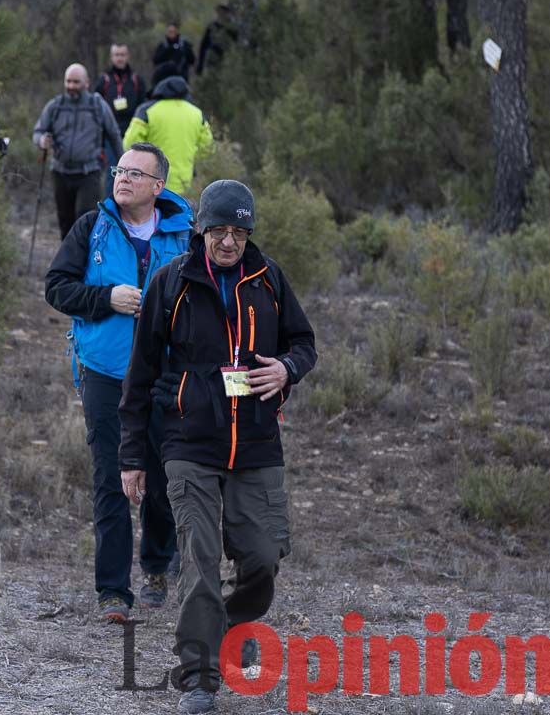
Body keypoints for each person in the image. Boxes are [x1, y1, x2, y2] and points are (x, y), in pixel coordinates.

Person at [117, 180, 317, 714]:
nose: (228, 242)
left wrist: (287, 368)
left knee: (263, 560)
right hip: (189, 442)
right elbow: (140, 375)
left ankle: (224, 627)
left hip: (256, 442)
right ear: (201, 229)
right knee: (199, 562)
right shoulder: (171, 282)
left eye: (238, 231)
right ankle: (200, 680)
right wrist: (132, 457)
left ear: (248, 233)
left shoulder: (268, 278)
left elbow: (303, 342)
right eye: (219, 231)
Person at [45, 142, 194, 624]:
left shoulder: (184, 236)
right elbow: (56, 287)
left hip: (165, 375)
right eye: (119, 170)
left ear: (158, 186)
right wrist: (106, 297)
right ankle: (113, 591)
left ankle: (155, 568)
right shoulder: (92, 228)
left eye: (135, 173)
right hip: (105, 372)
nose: (122, 179)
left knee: (161, 473)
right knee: (110, 477)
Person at [33, 63, 124, 238]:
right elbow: (38, 131)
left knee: (86, 220)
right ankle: (66, 263)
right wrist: (41, 140)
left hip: (89, 173)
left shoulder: (98, 105)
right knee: (65, 221)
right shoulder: (55, 106)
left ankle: (86, 262)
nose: (71, 86)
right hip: (60, 172)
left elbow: (114, 134)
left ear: (87, 83)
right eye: (68, 81)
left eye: (76, 82)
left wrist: (123, 165)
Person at [123, 75, 214, 197]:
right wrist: (190, 157)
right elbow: (208, 149)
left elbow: (129, 144)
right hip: (186, 185)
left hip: (153, 184)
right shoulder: (197, 113)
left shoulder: (147, 110)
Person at [94, 44, 147, 196]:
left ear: (128, 56)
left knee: (134, 174)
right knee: (113, 174)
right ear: (112, 57)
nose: (119, 58)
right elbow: (96, 109)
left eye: (122, 54)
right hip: (110, 138)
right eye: (116, 55)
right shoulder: (104, 80)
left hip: (132, 136)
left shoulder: (136, 80)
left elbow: (144, 107)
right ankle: (109, 212)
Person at [196, 5, 239, 77]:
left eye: (224, 12)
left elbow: (236, 46)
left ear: (228, 13)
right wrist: (200, 65)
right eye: (220, 11)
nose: (221, 14)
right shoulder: (211, 27)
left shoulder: (232, 29)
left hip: (226, 61)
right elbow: (203, 47)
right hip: (212, 59)